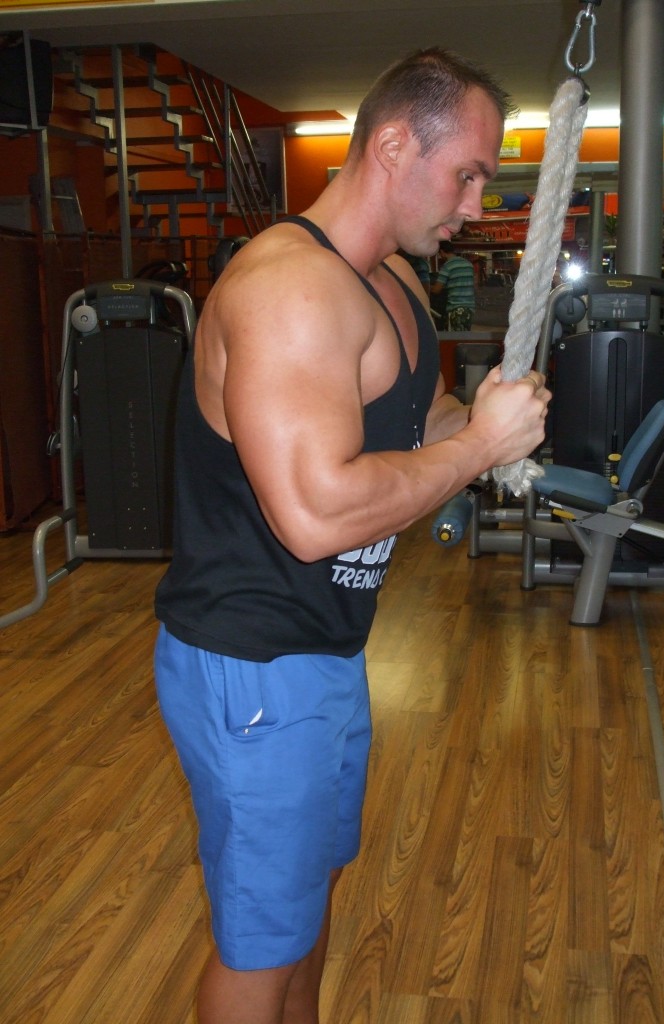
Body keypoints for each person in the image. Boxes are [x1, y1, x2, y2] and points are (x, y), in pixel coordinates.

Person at [153, 46, 550, 1024]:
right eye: (466, 175)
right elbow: (316, 516)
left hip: (328, 651)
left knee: (310, 897)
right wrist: (477, 450)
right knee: (260, 945)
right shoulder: (289, 290)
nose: (474, 206)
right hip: (251, 664)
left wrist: (483, 423)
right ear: (393, 145)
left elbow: (423, 420)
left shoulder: (395, 283)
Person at [430, 239, 476, 330]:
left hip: (456, 308)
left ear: (442, 252)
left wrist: (426, 287)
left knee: (457, 336)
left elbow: (436, 290)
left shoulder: (447, 266)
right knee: (466, 335)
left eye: (439, 254)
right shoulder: (468, 264)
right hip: (470, 308)